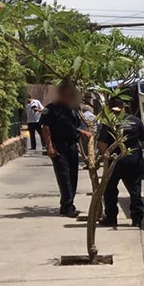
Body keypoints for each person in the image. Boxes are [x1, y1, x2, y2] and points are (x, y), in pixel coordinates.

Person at [98, 97, 144, 228]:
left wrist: (104, 156)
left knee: (110, 190)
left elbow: (102, 144)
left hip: (115, 160)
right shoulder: (135, 121)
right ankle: (137, 219)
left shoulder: (108, 123)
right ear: (123, 107)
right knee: (135, 189)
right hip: (133, 159)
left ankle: (111, 218)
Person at [40, 83, 91, 216]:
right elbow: (45, 128)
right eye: (68, 94)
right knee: (64, 176)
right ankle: (68, 206)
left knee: (73, 175)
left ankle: (67, 204)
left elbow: (74, 126)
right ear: (62, 94)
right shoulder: (50, 109)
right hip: (59, 146)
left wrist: (83, 132)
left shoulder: (72, 109)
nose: (70, 97)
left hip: (72, 146)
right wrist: (49, 147)